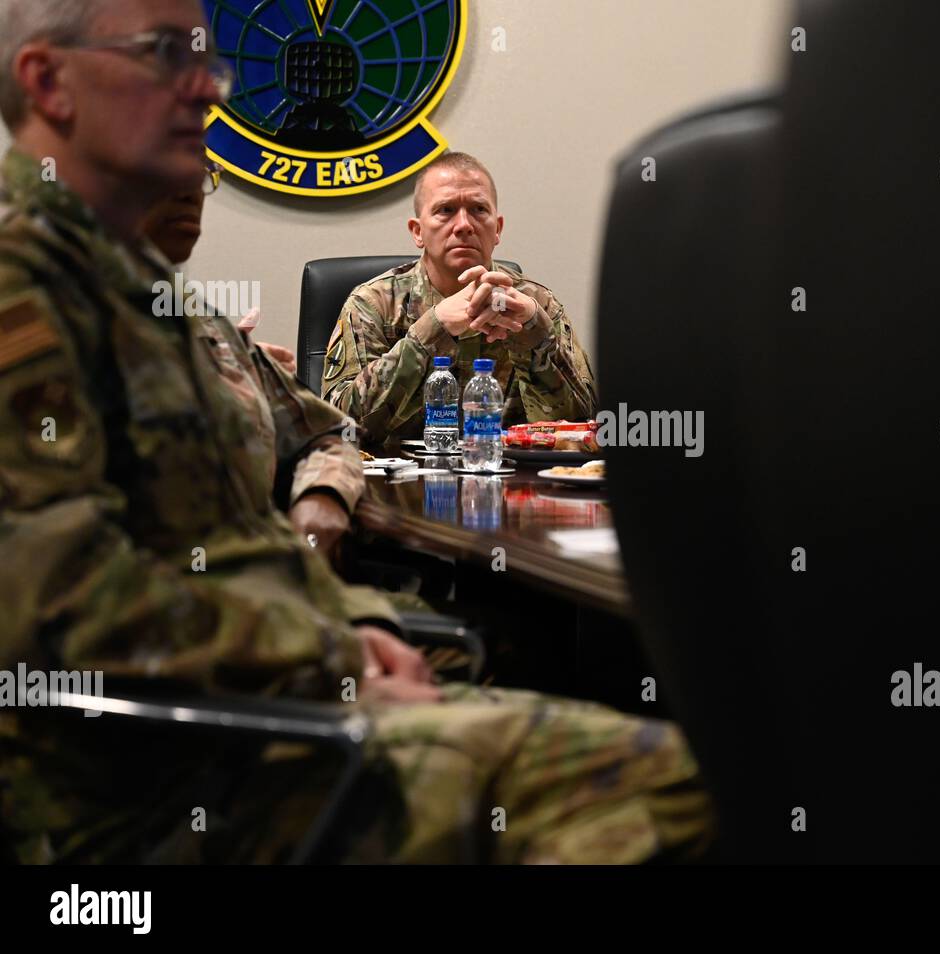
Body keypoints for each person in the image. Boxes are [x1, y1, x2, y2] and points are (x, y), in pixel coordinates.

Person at [0, 0, 710, 864]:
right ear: (47, 81)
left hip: (278, 698)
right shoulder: (28, 292)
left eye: (209, 65)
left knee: (667, 748)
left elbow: (321, 437)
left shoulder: (158, 299)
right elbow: (58, 616)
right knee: (679, 783)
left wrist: (343, 606)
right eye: (163, 54)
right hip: (188, 772)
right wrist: (330, 651)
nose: (204, 92)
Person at [142, 163, 357, 558]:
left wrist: (322, 494)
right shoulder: (46, 314)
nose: (191, 186)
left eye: (200, 168)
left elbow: (328, 435)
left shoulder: (208, 325)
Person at [320, 151, 597, 441]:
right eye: (446, 210)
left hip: (512, 481)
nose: (464, 225)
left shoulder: (535, 304)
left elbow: (583, 429)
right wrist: (431, 330)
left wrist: (534, 333)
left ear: (497, 229)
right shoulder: (373, 304)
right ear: (418, 232)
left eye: (478, 209)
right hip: (400, 484)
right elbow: (338, 428)